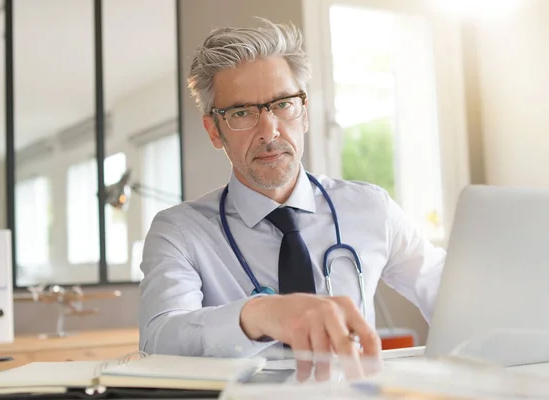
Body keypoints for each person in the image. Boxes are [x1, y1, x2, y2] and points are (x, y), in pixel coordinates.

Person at [138, 18, 446, 378]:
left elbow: (448, 293)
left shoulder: (371, 209)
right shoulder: (179, 232)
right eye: (241, 112)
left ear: (304, 113)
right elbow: (159, 340)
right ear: (214, 130)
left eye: (283, 104)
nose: (268, 130)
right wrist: (260, 315)